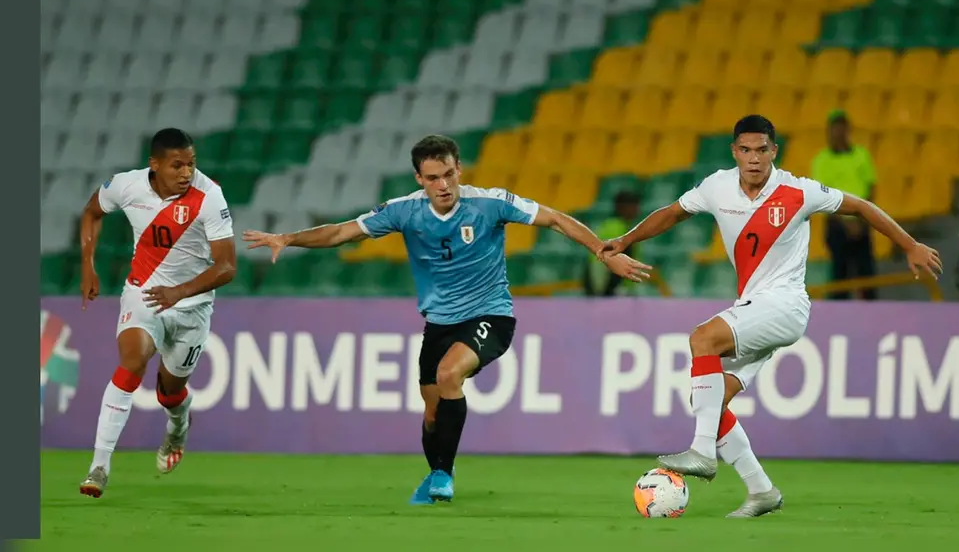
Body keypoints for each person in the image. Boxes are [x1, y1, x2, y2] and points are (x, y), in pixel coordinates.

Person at [242, 134, 652, 505]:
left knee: (448, 373)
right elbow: (340, 233)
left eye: (450, 174)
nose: (443, 185)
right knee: (433, 412)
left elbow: (557, 219)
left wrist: (603, 252)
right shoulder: (404, 212)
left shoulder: (490, 204)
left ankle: (441, 475)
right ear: (419, 178)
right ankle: (439, 467)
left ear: (460, 170)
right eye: (433, 177)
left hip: (491, 314)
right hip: (439, 323)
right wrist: (288, 238)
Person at [599, 115, 942, 518]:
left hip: (785, 304)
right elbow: (673, 213)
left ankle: (702, 452)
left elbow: (861, 207)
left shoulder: (798, 191)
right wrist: (626, 238)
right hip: (755, 307)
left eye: (762, 150)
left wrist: (909, 244)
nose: (754, 159)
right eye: (745, 150)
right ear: (734, 152)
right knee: (709, 396)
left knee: (702, 339)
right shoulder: (717, 186)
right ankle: (761, 491)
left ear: (773, 151)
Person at [77, 128, 237, 498]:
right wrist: (89, 265)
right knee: (132, 363)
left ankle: (178, 426)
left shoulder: (209, 196)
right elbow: (91, 212)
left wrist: (178, 292)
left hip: (192, 305)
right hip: (143, 294)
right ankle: (98, 466)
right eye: (177, 165)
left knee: (170, 392)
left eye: (191, 164)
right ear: (155, 164)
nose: (186, 173)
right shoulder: (127, 185)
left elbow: (227, 267)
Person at [810, 110, 879, 299]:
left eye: (841, 128)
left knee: (867, 274)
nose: (837, 133)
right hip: (838, 223)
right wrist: (847, 222)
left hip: (862, 221)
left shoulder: (861, 155)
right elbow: (822, 196)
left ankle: (873, 317)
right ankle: (840, 318)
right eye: (834, 129)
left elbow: (871, 187)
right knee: (840, 274)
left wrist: (863, 217)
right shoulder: (822, 160)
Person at [583, 190, 642, 297]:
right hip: (608, 288)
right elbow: (605, 260)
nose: (637, 210)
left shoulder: (616, 225)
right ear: (621, 207)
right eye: (633, 206)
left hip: (605, 286)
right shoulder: (616, 228)